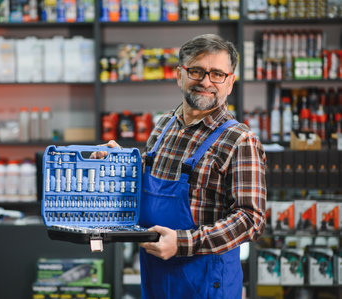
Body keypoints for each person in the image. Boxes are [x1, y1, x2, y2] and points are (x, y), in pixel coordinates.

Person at [93, 34, 266, 298]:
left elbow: (251, 219)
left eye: (217, 74)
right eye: (196, 71)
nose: (206, 82)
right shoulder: (164, 125)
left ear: (230, 83)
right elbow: (150, 178)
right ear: (179, 75)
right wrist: (121, 165)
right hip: (156, 276)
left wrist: (184, 243)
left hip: (206, 282)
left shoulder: (240, 140)